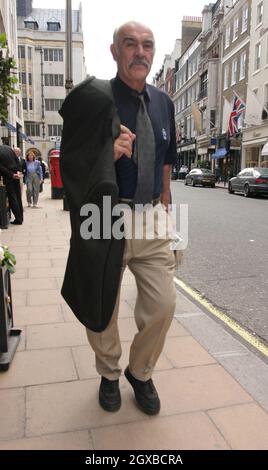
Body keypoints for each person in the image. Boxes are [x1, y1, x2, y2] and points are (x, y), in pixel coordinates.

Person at [60, 21, 177, 416]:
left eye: (147, 45)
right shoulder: (96, 99)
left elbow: (166, 160)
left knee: (163, 304)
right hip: (105, 215)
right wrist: (107, 154)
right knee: (102, 303)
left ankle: (139, 373)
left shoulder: (163, 102)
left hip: (151, 216)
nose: (140, 52)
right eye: (130, 44)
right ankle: (109, 372)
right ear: (115, 52)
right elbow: (72, 160)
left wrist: (167, 204)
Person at [0, 144, 23, 225]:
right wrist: (18, 172)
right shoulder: (8, 148)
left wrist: (12, 175)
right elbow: (17, 161)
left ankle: (18, 219)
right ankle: (21, 218)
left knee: (12, 197)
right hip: (16, 175)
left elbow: (1, 168)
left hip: (8, 177)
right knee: (18, 196)